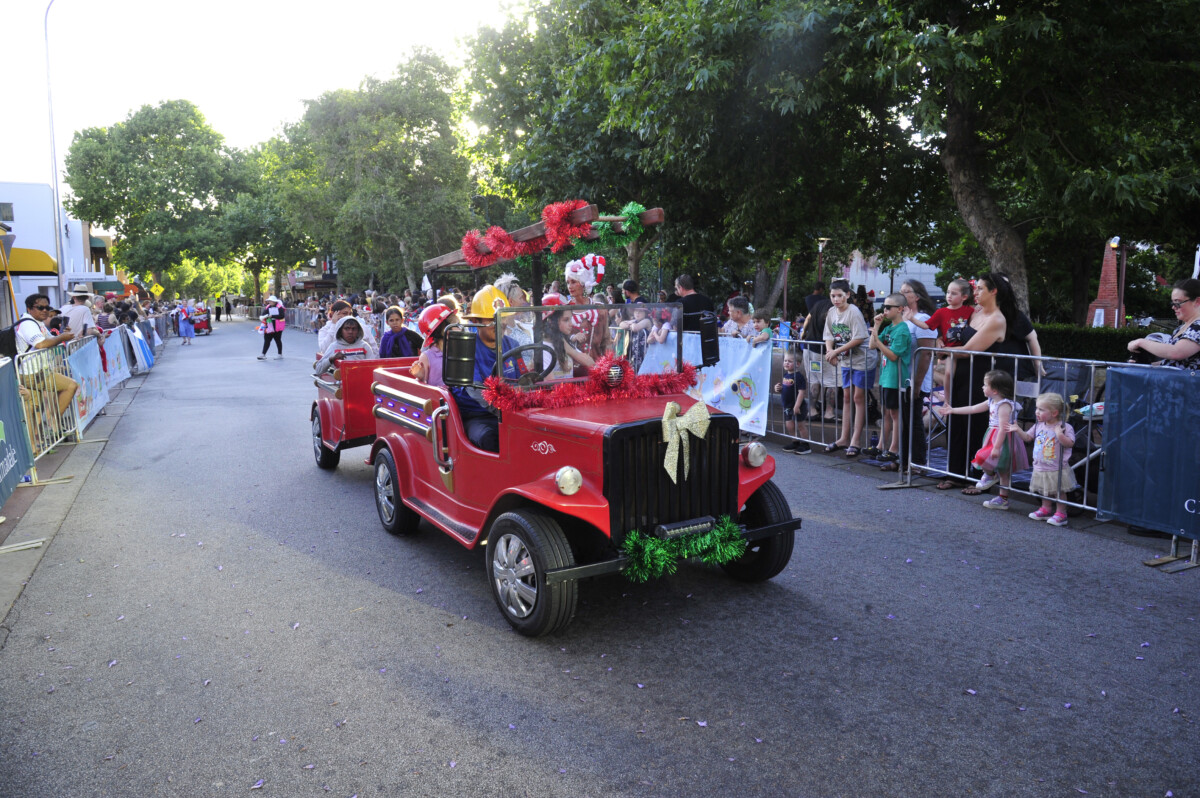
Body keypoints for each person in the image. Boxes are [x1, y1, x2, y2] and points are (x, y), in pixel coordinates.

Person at [939, 273, 1024, 493]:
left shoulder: (997, 319)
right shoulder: (975, 312)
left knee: (977, 426)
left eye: (979, 289)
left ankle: (978, 478)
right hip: (962, 375)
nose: (975, 292)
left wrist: (942, 350)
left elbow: (968, 351)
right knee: (957, 423)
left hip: (981, 378)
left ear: (993, 291)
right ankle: (955, 473)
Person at [937, 369, 1029, 509]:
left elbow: (1003, 428)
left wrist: (997, 447)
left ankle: (996, 486)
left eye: (985, 385)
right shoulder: (991, 401)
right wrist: (953, 410)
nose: (982, 387)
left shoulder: (1004, 405)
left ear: (995, 390)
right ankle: (997, 487)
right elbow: (973, 408)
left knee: (987, 460)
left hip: (1003, 438)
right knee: (990, 462)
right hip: (993, 435)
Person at [450, 286, 523, 452]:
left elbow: (524, 380)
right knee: (491, 439)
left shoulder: (513, 345)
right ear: (476, 321)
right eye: (492, 319)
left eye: (502, 318)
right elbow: (476, 391)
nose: (500, 324)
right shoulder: (465, 348)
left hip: (511, 412)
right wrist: (507, 412)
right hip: (478, 416)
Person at [1013, 392, 1078, 527]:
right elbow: (1028, 438)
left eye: (1041, 409)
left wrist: (1059, 434)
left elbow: (1070, 443)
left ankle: (1061, 513)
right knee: (1044, 489)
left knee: (1059, 491)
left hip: (1056, 467)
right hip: (1040, 466)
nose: (1036, 412)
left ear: (1054, 413)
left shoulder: (1064, 427)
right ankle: (1046, 509)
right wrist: (1017, 429)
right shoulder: (1038, 425)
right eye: (1037, 408)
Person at [823, 279, 871, 456]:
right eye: (833, 296)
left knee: (858, 397)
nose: (836, 299)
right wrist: (830, 351)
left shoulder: (854, 312)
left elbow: (859, 337)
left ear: (847, 295)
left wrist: (836, 351)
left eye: (839, 296)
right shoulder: (831, 312)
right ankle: (844, 438)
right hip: (845, 359)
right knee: (847, 396)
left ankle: (855, 440)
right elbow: (828, 335)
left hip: (861, 359)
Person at [12, 294, 79, 418]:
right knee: (71, 385)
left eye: (47, 308)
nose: (44, 310)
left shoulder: (38, 323)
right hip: (32, 373)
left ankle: (44, 429)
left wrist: (62, 335)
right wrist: (61, 337)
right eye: (40, 307)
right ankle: (53, 422)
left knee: (34, 410)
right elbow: (41, 344)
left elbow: (50, 340)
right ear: (29, 309)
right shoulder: (28, 324)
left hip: (36, 371)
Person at [898, 279, 938, 468]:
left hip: (916, 379)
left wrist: (917, 384)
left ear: (917, 296)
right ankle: (904, 461)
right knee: (904, 420)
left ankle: (918, 462)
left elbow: (926, 354)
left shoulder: (923, 319)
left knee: (913, 421)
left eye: (906, 292)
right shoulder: (902, 318)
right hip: (901, 377)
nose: (902, 294)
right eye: (901, 291)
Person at [870, 293, 912, 470]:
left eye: (888, 307)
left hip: (896, 379)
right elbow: (872, 345)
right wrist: (877, 325)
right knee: (886, 412)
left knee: (895, 414)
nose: (885, 310)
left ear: (900, 309)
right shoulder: (889, 327)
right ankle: (881, 446)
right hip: (886, 377)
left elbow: (893, 355)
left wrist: (879, 341)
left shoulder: (902, 330)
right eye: (884, 307)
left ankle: (894, 448)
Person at [1127, 278, 1200, 368]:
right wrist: (1144, 365)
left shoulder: (1198, 327)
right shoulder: (1181, 328)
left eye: (1177, 302)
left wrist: (1140, 342)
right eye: (1172, 303)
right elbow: (1174, 363)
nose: (1173, 307)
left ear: (1197, 301)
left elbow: (1176, 352)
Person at [799, 282, 837, 422]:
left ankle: (812, 410)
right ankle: (829, 413)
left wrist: (803, 333)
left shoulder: (818, 304)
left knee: (814, 380)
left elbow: (808, 318)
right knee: (832, 381)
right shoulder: (834, 309)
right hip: (824, 350)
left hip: (809, 348)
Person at [564, 255, 612, 362]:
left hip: (596, 366)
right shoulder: (565, 310)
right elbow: (557, 339)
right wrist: (572, 337)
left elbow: (606, 341)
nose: (569, 286)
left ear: (584, 283)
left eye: (573, 282)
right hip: (571, 368)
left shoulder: (600, 309)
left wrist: (609, 365)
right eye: (568, 282)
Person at [543, 300, 595, 379]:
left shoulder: (565, 342)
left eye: (571, 319)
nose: (571, 324)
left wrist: (570, 350)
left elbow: (591, 363)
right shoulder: (545, 348)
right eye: (566, 320)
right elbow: (550, 383)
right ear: (551, 322)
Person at [411, 304, 457, 386]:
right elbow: (424, 388)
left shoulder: (461, 350)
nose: (461, 328)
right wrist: (421, 377)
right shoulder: (427, 356)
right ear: (445, 330)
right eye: (456, 325)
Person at [775, 350, 810, 454]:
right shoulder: (786, 375)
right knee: (789, 426)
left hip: (798, 406)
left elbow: (801, 392)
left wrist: (797, 406)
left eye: (789, 361)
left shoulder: (798, 377)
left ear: (797, 364)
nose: (786, 363)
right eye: (785, 361)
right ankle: (795, 442)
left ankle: (805, 444)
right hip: (787, 406)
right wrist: (778, 388)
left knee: (800, 425)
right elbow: (786, 389)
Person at [258, 296, 286, 360]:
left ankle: (280, 354)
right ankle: (263, 354)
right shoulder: (268, 307)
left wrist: (272, 316)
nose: (269, 302)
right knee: (267, 340)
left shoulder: (279, 307)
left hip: (277, 327)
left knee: (277, 340)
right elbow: (263, 314)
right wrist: (265, 316)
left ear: (274, 301)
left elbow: (282, 316)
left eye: (270, 301)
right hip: (269, 325)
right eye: (269, 301)